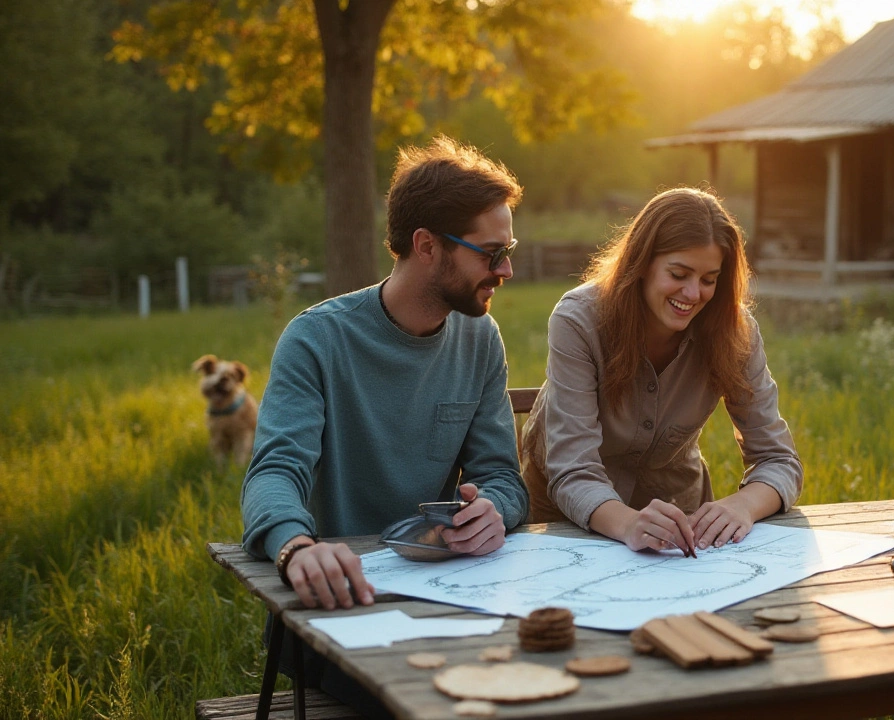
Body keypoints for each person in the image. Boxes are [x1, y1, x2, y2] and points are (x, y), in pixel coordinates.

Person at [240, 135, 529, 716]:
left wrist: (494, 509)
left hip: (447, 598)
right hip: (339, 611)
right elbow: (274, 471)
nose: (507, 269)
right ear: (426, 245)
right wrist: (297, 546)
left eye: (508, 250)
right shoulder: (316, 340)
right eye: (491, 253)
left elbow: (502, 475)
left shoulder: (480, 339)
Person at [520, 187, 802, 555]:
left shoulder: (735, 332)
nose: (692, 293)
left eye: (708, 279)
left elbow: (779, 460)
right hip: (567, 519)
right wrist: (629, 523)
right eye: (679, 273)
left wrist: (743, 505)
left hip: (677, 520)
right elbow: (573, 470)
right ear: (642, 262)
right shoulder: (579, 320)